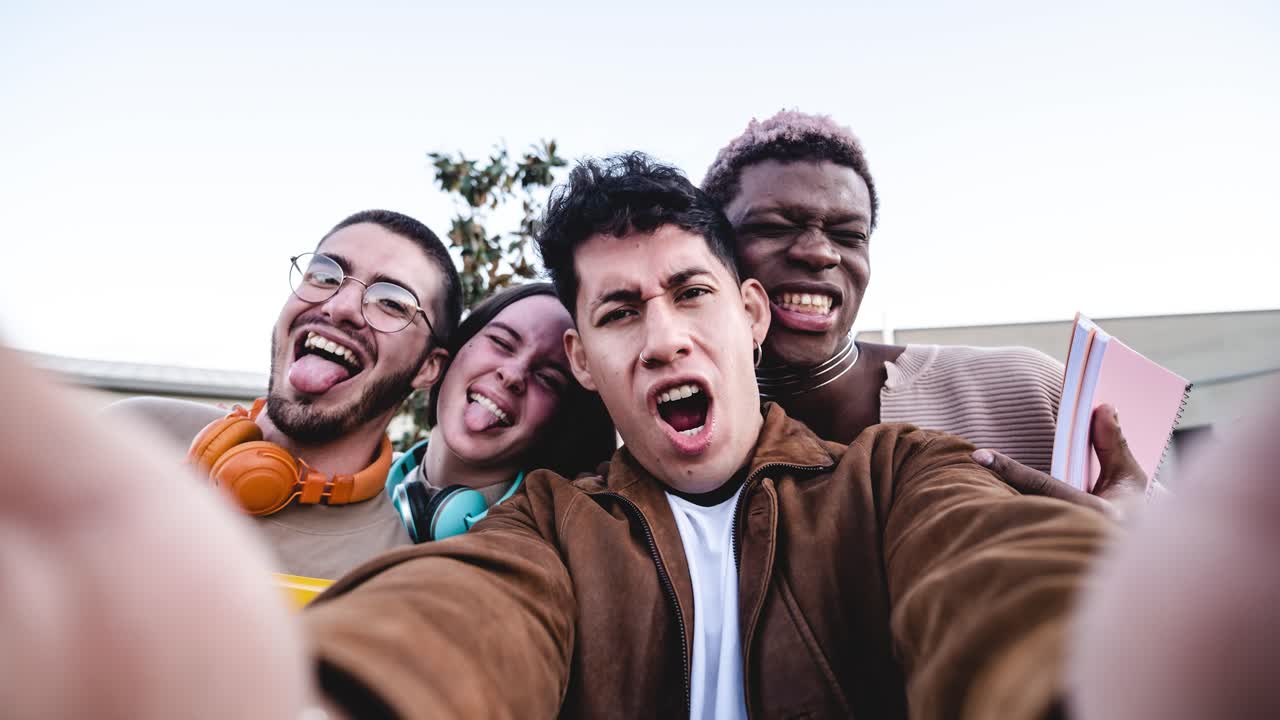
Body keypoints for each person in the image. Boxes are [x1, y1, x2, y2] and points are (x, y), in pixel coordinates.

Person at [0, 153, 1119, 719]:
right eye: (620, 313)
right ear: (585, 361)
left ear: (748, 313)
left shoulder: (898, 478)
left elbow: (1002, 574)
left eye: (688, 295)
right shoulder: (544, 527)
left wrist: (1114, 663)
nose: (663, 340)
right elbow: (451, 621)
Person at [703, 110, 1148, 513]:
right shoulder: (671, 436)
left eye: (849, 234)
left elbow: (1198, 564)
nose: (820, 253)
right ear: (707, 250)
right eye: (772, 227)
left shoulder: (1027, 390)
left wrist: (1133, 546)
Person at [113, 208, 466, 578]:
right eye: (326, 275)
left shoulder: (387, 581)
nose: (339, 307)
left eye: (392, 302)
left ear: (428, 367)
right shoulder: (131, 434)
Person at [386, 282, 616, 543]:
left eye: (548, 378)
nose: (512, 375)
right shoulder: (352, 488)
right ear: (452, 351)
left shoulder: (565, 541)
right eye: (501, 342)